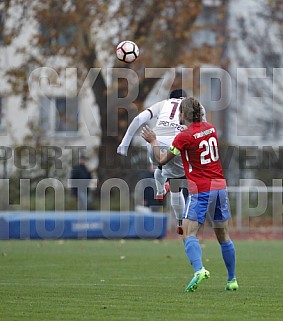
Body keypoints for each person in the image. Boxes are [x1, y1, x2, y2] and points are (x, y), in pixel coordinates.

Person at [140, 96, 238, 292]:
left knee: (188, 233)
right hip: (219, 186)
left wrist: (153, 141)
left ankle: (199, 270)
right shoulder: (211, 128)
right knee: (223, 235)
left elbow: (161, 159)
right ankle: (231, 280)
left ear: (183, 114)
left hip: (201, 189)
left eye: (179, 112)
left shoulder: (183, 137)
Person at [117, 89, 206, 234]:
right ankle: (180, 222)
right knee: (176, 185)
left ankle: (160, 190)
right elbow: (204, 130)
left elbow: (138, 119)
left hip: (155, 139)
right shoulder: (195, 106)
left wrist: (124, 144)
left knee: (159, 166)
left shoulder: (163, 104)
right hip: (178, 142)